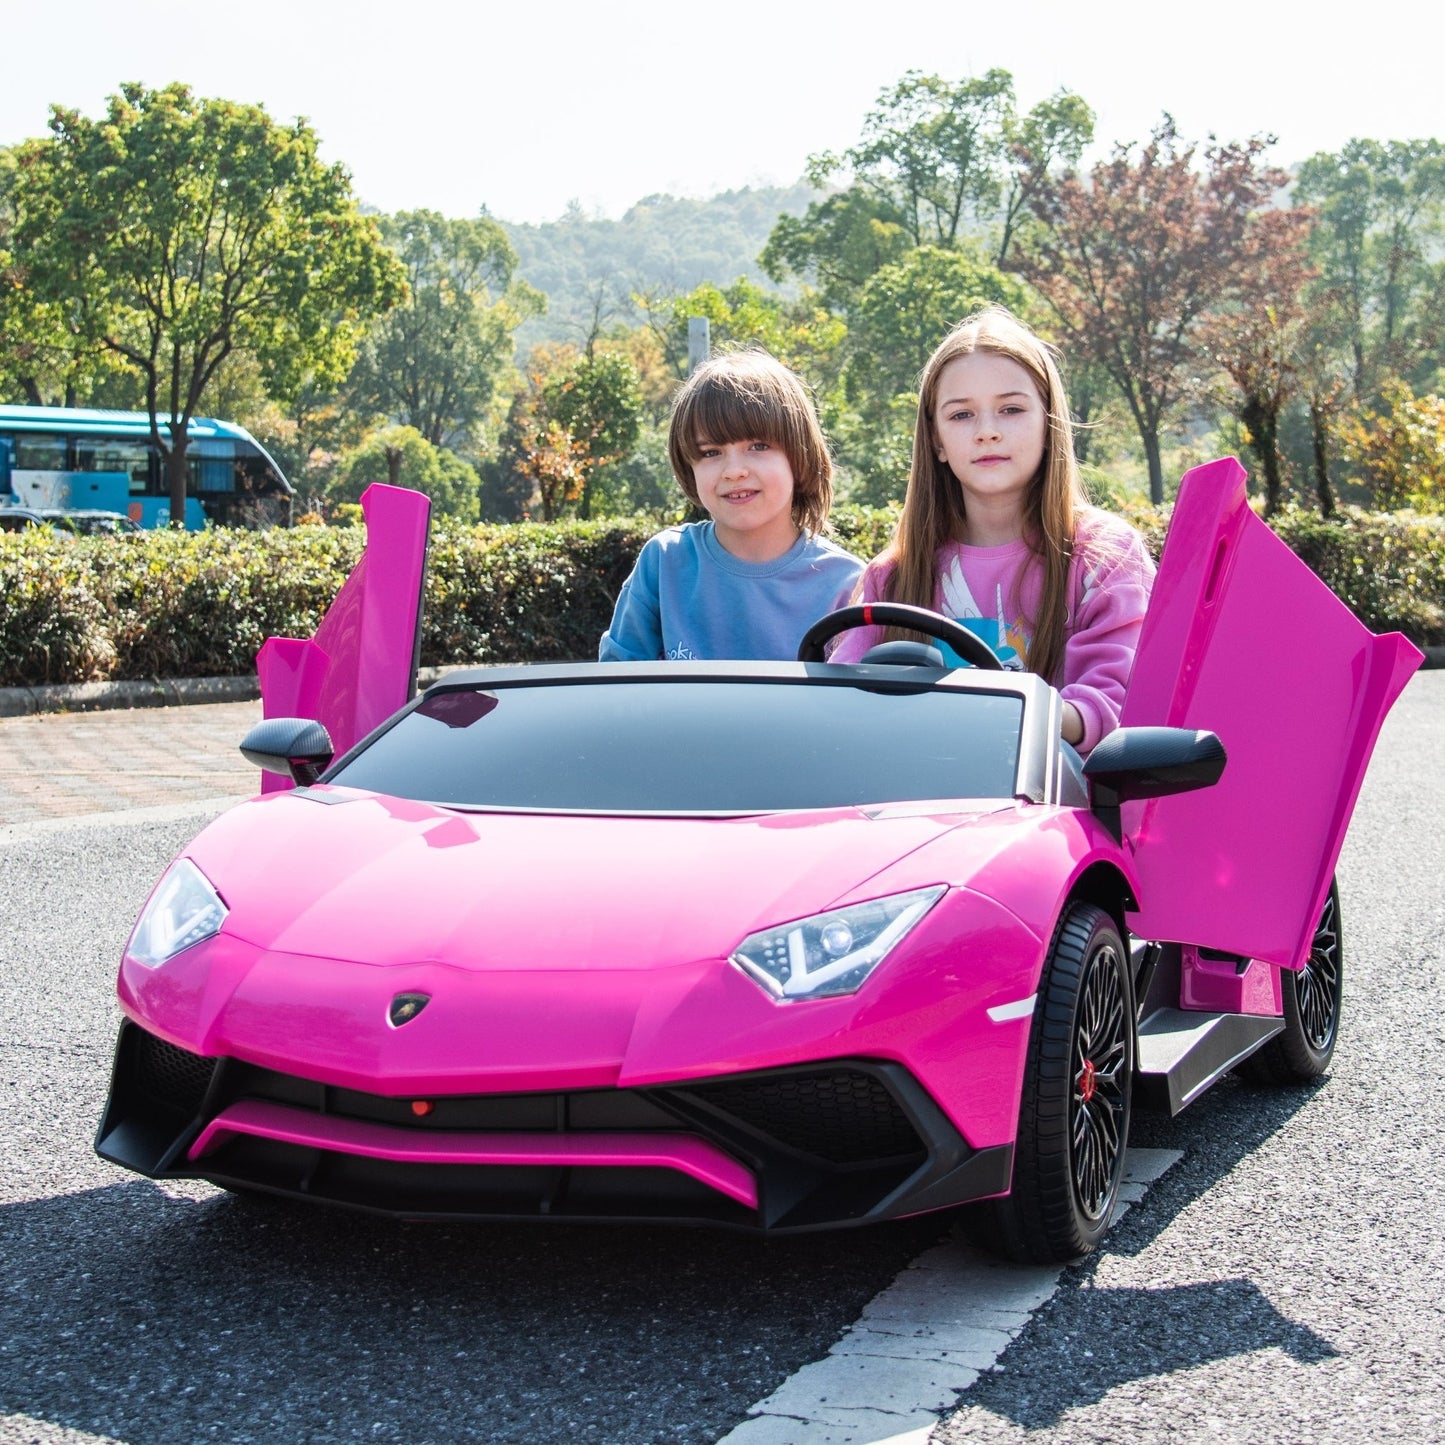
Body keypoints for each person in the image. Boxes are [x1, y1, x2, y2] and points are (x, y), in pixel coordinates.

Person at [830, 307, 1154, 754]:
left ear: (1048, 424)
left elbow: (1121, 704)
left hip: (1058, 812)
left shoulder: (1105, 556)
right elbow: (838, 709)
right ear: (937, 441)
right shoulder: (891, 577)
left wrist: (1008, 706)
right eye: (961, 415)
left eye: (1011, 409)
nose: (987, 432)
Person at [598, 349, 863, 662]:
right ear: (688, 468)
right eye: (711, 452)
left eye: (758, 446)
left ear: (799, 455)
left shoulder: (848, 584)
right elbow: (619, 683)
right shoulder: (665, 562)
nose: (734, 470)